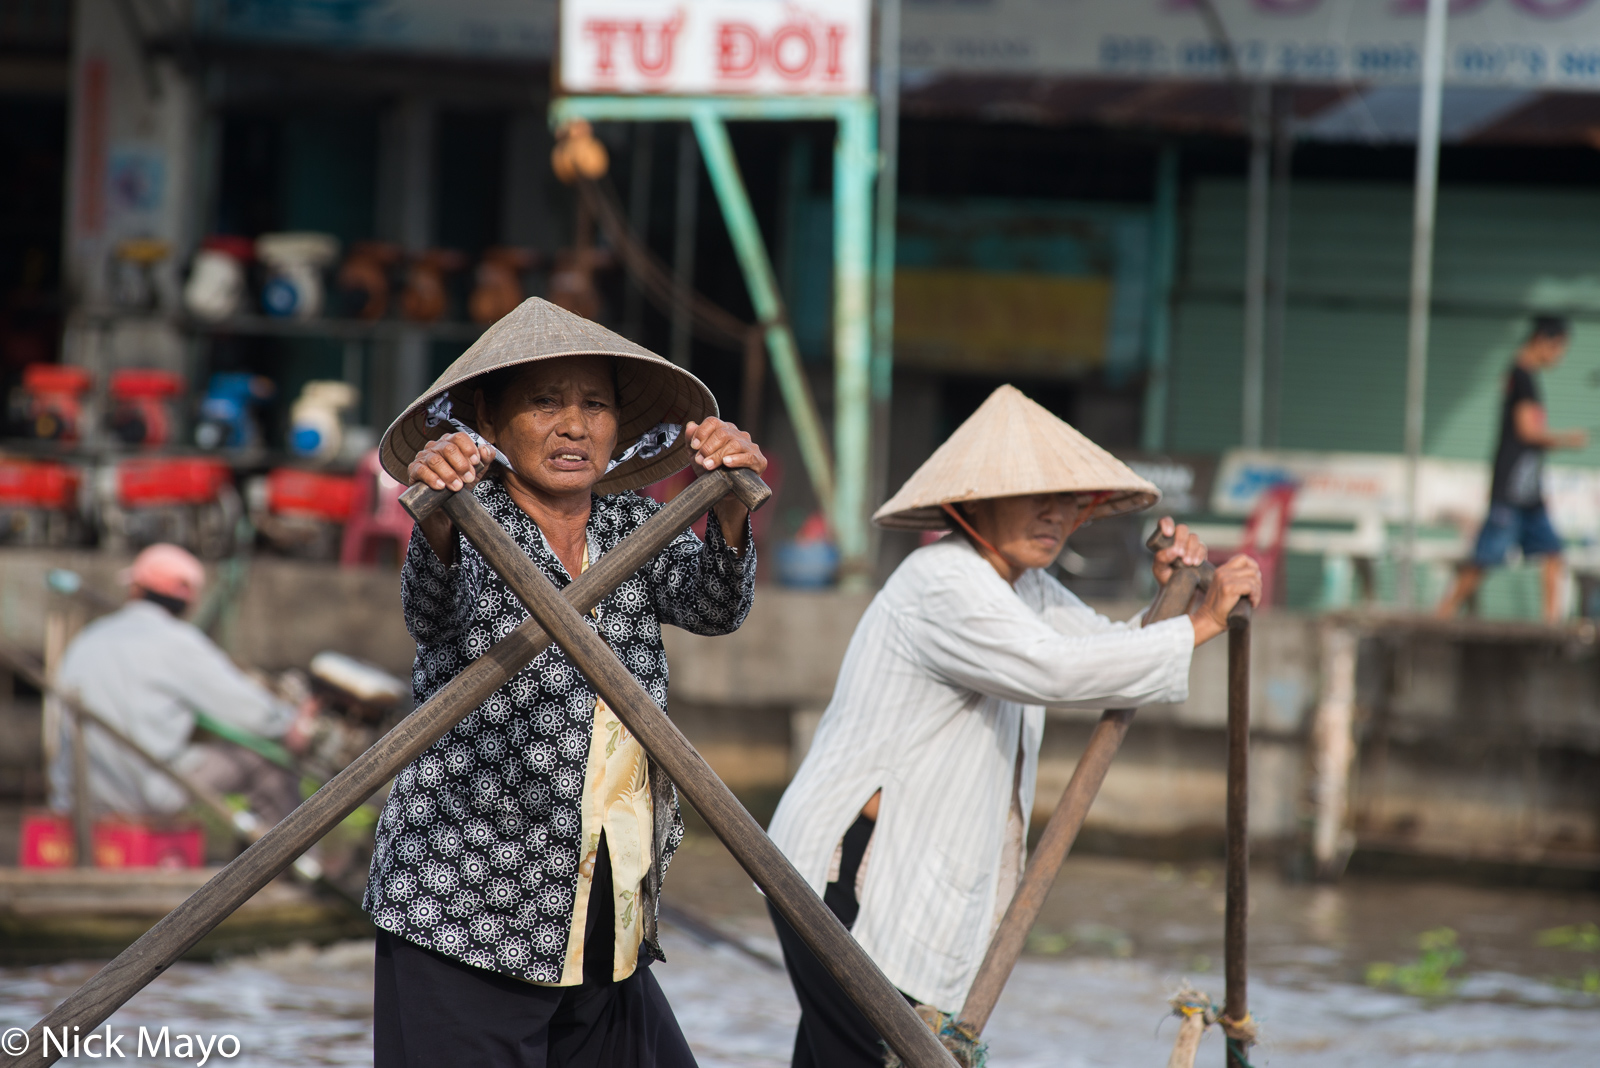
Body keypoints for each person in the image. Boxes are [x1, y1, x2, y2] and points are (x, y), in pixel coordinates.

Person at [765, 385, 1261, 1067]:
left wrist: (1175, 601)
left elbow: (1102, 650)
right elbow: (1057, 669)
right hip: (850, 877)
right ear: (974, 503)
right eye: (1033, 495)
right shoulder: (941, 581)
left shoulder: (1021, 588)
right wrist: (1200, 624)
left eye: (1066, 499)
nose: (1054, 514)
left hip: (905, 884)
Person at [365, 296, 766, 1068]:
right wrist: (442, 519)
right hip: (470, 904)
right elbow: (434, 612)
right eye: (544, 402)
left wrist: (728, 506)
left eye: (593, 405)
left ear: (619, 425)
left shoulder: (628, 525)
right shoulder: (472, 518)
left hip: (602, 906)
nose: (573, 426)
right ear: (486, 415)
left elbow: (713, 607)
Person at [49, 542, 314, 827]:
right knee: (267, 762)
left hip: (76, 795)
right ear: (190, 600)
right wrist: (291, 725)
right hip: (146, 792)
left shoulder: (88, 637)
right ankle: (294, 865)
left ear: (135, 589)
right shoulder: (179, 642)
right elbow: (248, 710)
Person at [1436, 316, 1588, 624]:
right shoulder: (1522, 377)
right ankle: (1442, 615)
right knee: (1485, 559)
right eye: (1559, 348)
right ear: (1545, 341)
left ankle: (1551, 626)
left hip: (1529, 491)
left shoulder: (1521, 375)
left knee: (1552, 554)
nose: (1559, 356)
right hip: (1511, 488)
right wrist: (1566, 439)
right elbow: (1527, 432)